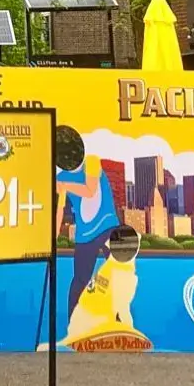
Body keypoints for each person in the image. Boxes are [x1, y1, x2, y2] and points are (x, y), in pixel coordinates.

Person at [54, 126, 121, 318]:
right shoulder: (61, 177)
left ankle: (117, 318)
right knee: (80, 280)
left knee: (117, 273)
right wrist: (54, 234)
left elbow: (90, 190)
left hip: (109, 227)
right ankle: (73, 321)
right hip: (85, 235)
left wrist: (65, 186)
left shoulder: (91, 162)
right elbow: (60, 208)